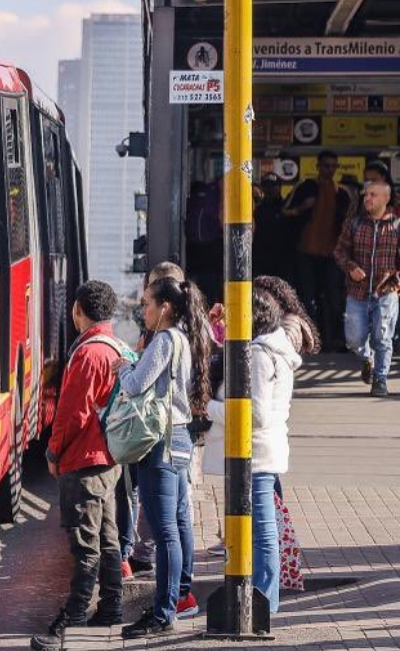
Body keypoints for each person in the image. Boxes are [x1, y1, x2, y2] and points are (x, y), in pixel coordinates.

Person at [32, 281, 128, 650]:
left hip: (84, 460)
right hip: (109, 459)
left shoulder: (88, 354)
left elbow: (71, 413)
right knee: (107, 538)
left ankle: (72, 618)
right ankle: (111, 608)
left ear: (77, 310)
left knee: (84, 542)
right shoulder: (115, 347)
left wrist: (54, 453)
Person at [114, 277, 212, 639]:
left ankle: (163, 611)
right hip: (180, 437)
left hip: (161, 443)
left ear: (165, 308)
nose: (144, 311)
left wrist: (123, 367)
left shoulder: (165, 340)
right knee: (180, 521)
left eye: (147, 305)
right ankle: (179, 595)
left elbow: (137, 384)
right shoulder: (183, 338)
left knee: (164, 528)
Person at [204, 289, 300, 614]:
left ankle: (263, 601)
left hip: (255, 454)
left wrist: (211, 408)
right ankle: (262, 599)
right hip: (263, 452)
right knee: (262, 528)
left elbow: (254, 414)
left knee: (261, 530)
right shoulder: (272, 347)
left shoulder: (259, 355)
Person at [333, 180, 400, 397]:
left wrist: (398, 281)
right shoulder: (354, 223)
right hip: (357, 292)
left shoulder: (397, 225)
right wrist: (350, 266)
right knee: (354, 338)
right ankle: (366, 359)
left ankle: (380, 380)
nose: (367, 199)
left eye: (373, 195)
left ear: (386, 198)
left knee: (383, 337)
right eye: (366, 195)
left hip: (386, 292)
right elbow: (339, 251)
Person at [284, 151, 353, 351]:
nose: (329, 170)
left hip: (332, 254)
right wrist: (302, 208)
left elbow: (348, 222)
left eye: (333, 166)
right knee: (308, 298)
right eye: (326, 165)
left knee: (333, 298)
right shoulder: (306, 187)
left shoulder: (342, 193)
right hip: (305, 251)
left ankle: (335, 341)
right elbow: (284, 212)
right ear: (318, 166)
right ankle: (311, 341)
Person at [252, 174, 296, 280]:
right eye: (267, 186)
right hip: (261, 258)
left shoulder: (287, 207)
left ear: (279, 187)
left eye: (273, 186)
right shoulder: (256, 208)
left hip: (283, 258)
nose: (270, 189)